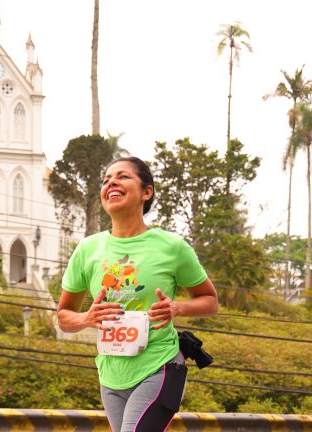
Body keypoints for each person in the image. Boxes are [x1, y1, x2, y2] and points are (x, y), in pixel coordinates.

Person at [57, 156, 218, 432]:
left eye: (122, 177)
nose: (111, 183)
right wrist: (87, 317)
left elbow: (210, 301)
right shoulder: (88, 250)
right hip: (111, 376)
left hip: (160, 367)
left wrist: (176, 308)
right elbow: (63, 316)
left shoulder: (172, 247)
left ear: (147, 192)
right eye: (106, 180)